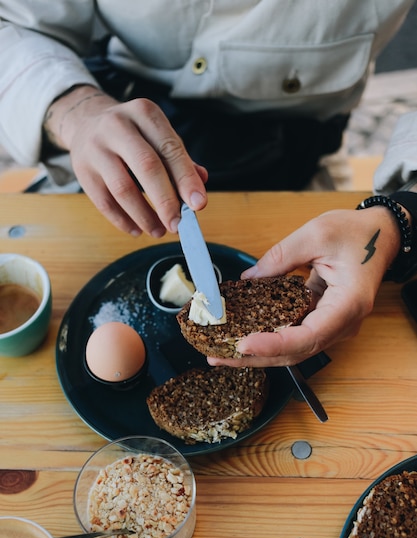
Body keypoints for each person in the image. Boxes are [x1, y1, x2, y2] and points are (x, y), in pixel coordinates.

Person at [0, 1, 416, 365]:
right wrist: (75, 109)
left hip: (295, 169)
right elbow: (12, 24)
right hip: (117, 157)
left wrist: (400, 215)